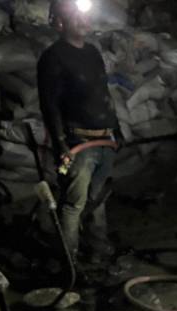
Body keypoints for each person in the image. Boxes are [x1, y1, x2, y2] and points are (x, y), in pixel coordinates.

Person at [37, 0, 120, 263]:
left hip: (104, 139)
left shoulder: (93, 53)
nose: (83, 22)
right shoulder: (53, 57)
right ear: (59, 23)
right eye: (75, 17)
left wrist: (117, 131)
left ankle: (98, 252)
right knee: (73, 205)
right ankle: (69, 263)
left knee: (98, 200)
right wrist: (61, 144)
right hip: (77, 142)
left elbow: (104, 95)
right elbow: (49, 105)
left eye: (84, 16)